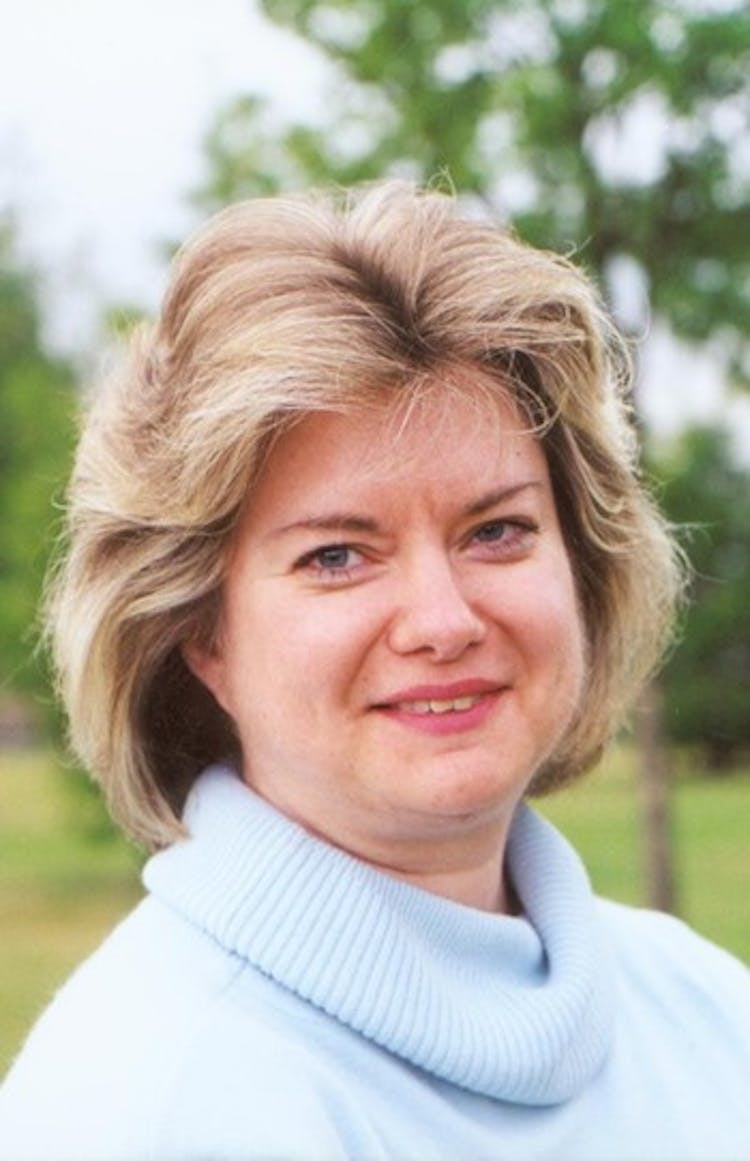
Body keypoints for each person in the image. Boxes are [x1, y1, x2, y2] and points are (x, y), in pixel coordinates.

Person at [1, 181, 748, 1161]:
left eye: (497, 530)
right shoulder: (150, 1106)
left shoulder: (709, 1012)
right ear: (199, 631)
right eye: (337, 555)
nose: (444, 621)